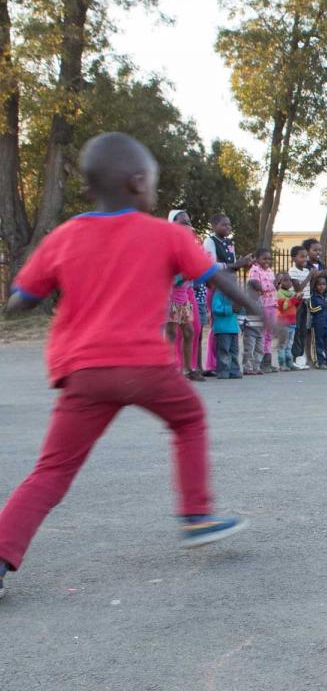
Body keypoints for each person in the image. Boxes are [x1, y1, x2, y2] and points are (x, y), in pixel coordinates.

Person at [0, 132, 262, 600]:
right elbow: (216, 277)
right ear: (139, 182)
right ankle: (196, 513)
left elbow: (21, 300)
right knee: (188, 419)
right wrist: (261, 312)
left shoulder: (64, 236)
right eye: (155, 184)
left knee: (52, 470)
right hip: (145, 366)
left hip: (83, 373)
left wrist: (27, 293)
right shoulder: (165, 234)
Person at [202, 213, 252, 372]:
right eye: (224, 225)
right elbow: (211, 265)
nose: (228, 228)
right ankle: (212, 363)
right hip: (216, 285)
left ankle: (226, 363)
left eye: (229, 225)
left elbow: (234, 264)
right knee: (216, 324)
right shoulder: (210, 241)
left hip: (229, 284)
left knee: (229, 323)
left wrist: (241, 264)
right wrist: (235, 264)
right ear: (213, 226)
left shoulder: (230, 242)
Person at [167, 211, 202, 382]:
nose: (187, 225)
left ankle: (188, 369)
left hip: (184, 299)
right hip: (171, 298)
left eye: (188, 222)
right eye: (183, 222)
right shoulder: (168, 248)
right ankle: (171, 370)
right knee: (171, 334)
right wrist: (183, 276)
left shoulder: (189, 249)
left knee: (189, 332)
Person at [247, 248, 277, 373]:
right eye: (264, 258)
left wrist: (273, 285)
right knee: (261, 334)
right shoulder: (254, 270)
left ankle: (267, 361)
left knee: (269, 334)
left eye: (269, 259)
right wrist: (273, 285)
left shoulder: (269, 270)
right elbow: (259, 287)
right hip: (261, 305)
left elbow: (274, 285)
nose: (267, 261)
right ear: (257, 259)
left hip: (272, 304)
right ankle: (257, 362)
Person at [287, 245, 314, 370]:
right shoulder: (293, 271)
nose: (305, 259)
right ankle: (294, 357)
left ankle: (300, 358)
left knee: (304, 330)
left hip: (306, 302)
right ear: (294, 258)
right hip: (297, 303)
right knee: (296, 330)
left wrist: (312, 276)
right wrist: (310, 276)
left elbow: (310, 287)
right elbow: (298, 288)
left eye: (306, 257)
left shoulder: (306, 271)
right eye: (302, 257)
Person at [211, 285, 243, 379]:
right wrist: (231, 308)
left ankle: (234, 370)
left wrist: (239, 308)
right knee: (224, 351)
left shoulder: (234, 295)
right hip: (222, 328)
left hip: (233, 328)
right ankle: (223, 371)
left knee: (234, 351)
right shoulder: (219, 293)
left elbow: (239, 309)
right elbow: (216, 309)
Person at [308, 275, 327, 370]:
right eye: (319, 284)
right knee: (318, 342)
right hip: (317, 324)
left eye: (324, 284)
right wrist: (324, 305)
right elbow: (312, 309)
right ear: (315, 286)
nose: (321, 286)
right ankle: (320, 362)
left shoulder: (326, 297)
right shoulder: (313, 298)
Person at [275, 271, 300, 371]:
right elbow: (284, 306)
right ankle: (282, 364)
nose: (289, 282)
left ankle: (289, 362)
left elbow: (295, 306)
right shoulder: (279, 293)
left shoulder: (291, 293)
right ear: (279, 282)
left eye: (290, 280)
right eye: (285, 280)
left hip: (292, 322)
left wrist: (299, 299)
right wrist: (294, 299)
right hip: (284, 324)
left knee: (289, 344)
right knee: (282, 344)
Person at [240, 279, 265, 376]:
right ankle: (247, 367)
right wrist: (241, 327)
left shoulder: (260, 301)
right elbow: (242, 315)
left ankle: (256, 366)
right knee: (249, 349)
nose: (259, 293)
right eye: (257, 291)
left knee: (259, 349)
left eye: (260, 291)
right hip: (250, 330)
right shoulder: (247, 302)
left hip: (259, 330)